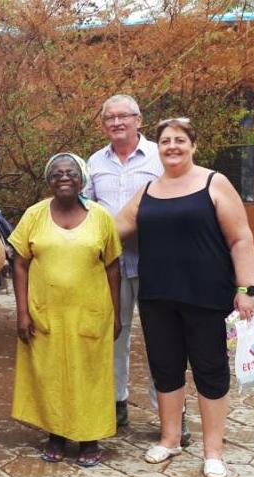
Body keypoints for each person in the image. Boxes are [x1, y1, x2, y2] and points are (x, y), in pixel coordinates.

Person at [116, 118, 254, 477]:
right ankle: (170, 438)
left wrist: (247, 289)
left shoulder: (214, 183)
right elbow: (112, 229)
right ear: (157, 148)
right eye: (165, 141)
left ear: (193, 145)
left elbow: (241, 238)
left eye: (180, 140)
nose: (172, 146)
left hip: (207, 297)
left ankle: (213, 452)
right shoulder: (148, 190)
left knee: (211, 373)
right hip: (157, 296)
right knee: (165, 369)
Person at [9, 153, 121, 468]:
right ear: (49, 181)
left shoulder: (101, 216)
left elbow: (113, 266)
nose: (63, 177)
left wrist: (117, 313)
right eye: (56, 173)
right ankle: (56, 435)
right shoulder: (34, 215)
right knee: (51, 373)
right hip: (46, 313)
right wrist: (22, 312)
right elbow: (19, 262)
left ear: (82, 179)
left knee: (90, 374)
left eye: (70, 172)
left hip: (91, 313)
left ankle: (89, 438)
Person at [84, 94, 184, 435]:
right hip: (110, 265)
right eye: (109, 118)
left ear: (138, 120)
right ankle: (116, 403)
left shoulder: (162, 155)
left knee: (163, 338)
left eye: (123, 116)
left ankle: (171, 415)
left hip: (156, 261)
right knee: (114, 335)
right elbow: (86, 206)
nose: (116, 123)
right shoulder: (94, 162)